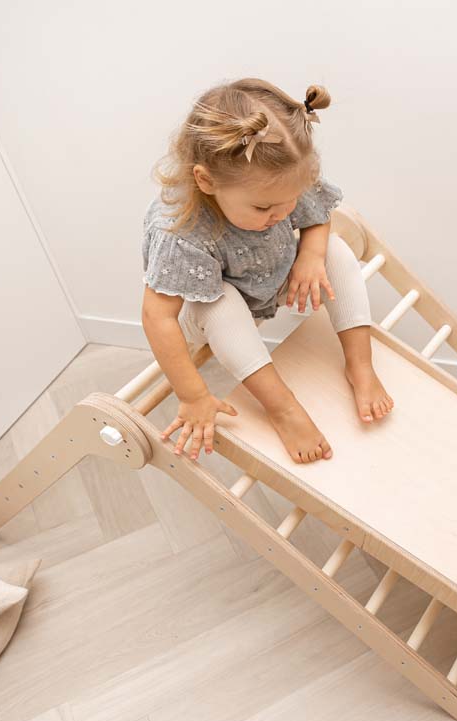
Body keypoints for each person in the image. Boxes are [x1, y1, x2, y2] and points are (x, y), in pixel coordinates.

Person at [141, 78, 392, 464]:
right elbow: (158, 317)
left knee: (334, 251)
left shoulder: (280, 179)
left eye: (288, 201)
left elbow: (318, 217)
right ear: (205, 181)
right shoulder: (181, 232)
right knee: (219, 302)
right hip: (207, 306)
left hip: (272, 276)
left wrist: (310, 254)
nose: (280, 214)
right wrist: (192, 395)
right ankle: (283, 409)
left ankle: (360, 366)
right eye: (263, 209)